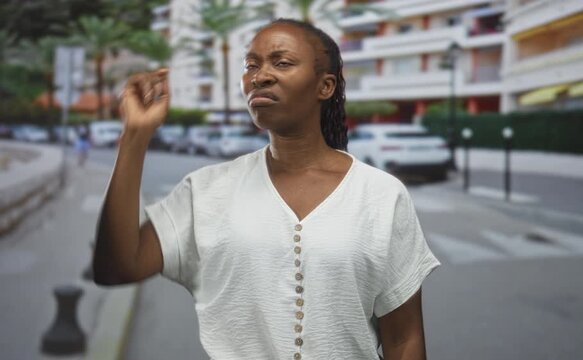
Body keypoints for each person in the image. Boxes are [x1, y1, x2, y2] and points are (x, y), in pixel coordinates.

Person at [93, 18, 440, 359]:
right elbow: (118, 267)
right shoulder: (206, 190)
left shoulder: (381, 195)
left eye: (282, 62)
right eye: (251, 65)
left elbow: (404, 338)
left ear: (326, 86)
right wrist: (135, 138)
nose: (260, 76)